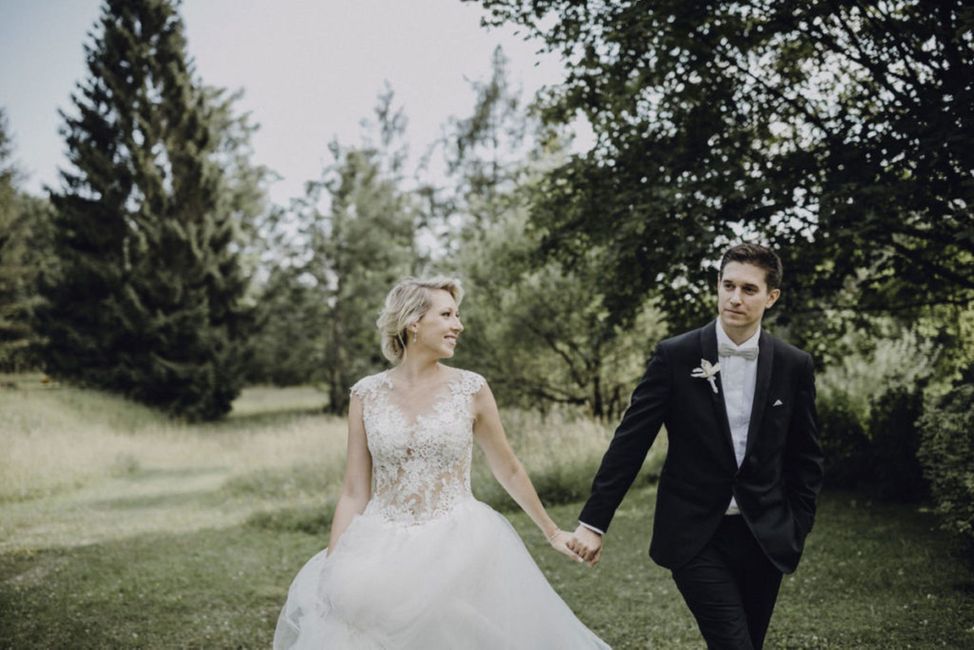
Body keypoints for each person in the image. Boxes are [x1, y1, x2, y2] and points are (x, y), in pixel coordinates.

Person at [274, 277, 609, 649]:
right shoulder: (366, 394)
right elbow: (354, 490)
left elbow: (508, 468)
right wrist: (334, 566)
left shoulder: (472, 388)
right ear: (413, 322)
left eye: (457, 315)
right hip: (381, 538)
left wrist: (552, 533)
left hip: (457, 537)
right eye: (447, 315)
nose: (458, 325)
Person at [569, 243, 824, 649]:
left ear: (771, 297)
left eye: (749, 289)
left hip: (765, 534)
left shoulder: (795, 365)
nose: (735, 298)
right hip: (695, 533)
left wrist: (798, 524)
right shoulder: (676, 355)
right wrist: (593, 522)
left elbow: (805, 456)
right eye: (728, 285)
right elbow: (630, 442)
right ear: (717, 286)